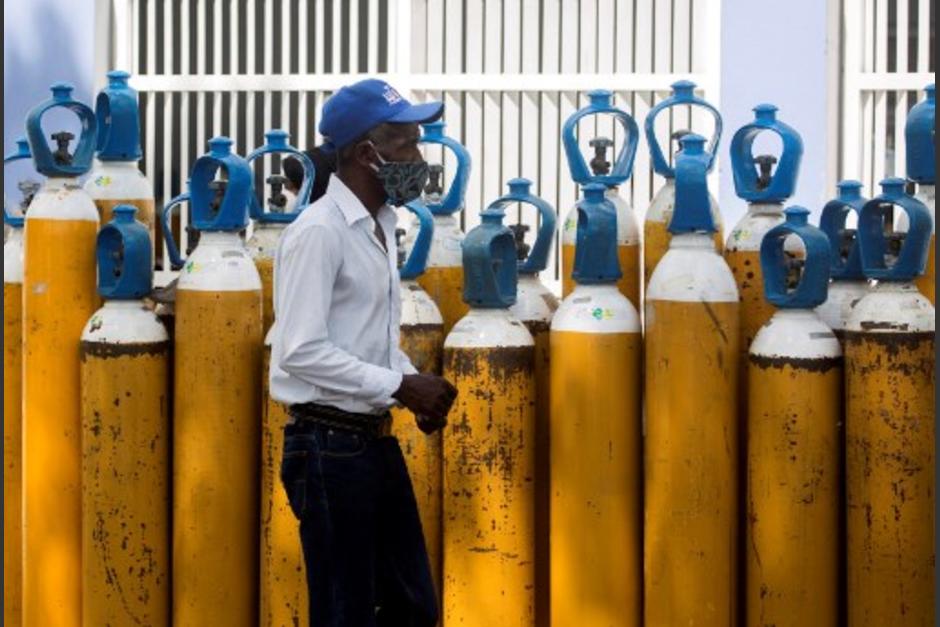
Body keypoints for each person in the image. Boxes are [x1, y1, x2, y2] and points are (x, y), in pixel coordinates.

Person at [270, 79, 458, 627]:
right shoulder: (319, 233)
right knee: (345, 612)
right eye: (405, 145)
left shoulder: (380, 225)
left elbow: (367, 338)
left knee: (411, 607)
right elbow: (299, 351)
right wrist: (399, 386)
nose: (418, 159)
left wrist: (411, 387)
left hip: (368, 441)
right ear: (364, 153)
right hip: (327, 449)